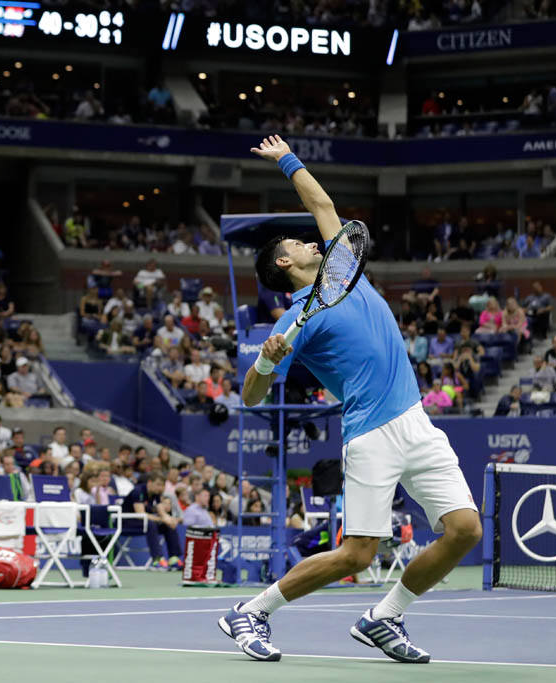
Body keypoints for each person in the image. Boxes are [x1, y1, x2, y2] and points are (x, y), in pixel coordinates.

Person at [223, 136, 480, 664]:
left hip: (416, 421)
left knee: (465, 530)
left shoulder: (343, 269)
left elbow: (321, 205)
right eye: (295, 245)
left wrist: (287, 160)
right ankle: (251, 611)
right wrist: (268, 361)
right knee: (357, 553)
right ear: (283, 264)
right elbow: (251, 395)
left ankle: (383, 617)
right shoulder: (296, 320)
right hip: (371, 435)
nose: (310, 242)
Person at [121, 471, 184, 571]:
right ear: (150, 482)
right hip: (126, 523)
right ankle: (157, 559)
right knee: (152, 524)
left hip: (142, 522)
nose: (160, 488)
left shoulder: (155, 494)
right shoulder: (138, 491)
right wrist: (161, 519)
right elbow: (140, 513)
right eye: (158, 484)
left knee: (167, 525)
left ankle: (174, 558)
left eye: (162, 485)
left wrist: (169, 519)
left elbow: (161, 511)